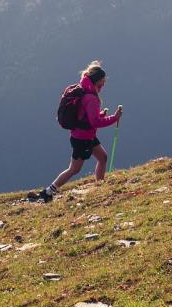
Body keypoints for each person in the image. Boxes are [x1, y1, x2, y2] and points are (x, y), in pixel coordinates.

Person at [35, 61, 122, 202]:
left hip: (84, 135)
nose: (103, 85)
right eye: (102, 82)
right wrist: (114, 118)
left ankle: (100, 186)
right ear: (96, 81)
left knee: (103, 157)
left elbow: (85, 116)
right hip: (83, 138)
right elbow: (94, 122)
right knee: (74, 169)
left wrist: (100, 115)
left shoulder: (84, 91)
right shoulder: (91, 98)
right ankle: (48, 192)